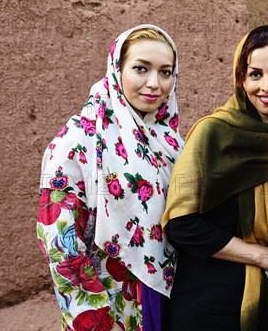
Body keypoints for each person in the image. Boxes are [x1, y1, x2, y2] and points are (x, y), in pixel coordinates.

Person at [37, 25, 184, 331]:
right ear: (116, 69)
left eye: (166, 72)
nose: (154, 83)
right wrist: (93, 316)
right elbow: (59, 241)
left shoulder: (169, 141)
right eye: (141, 69)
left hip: (169, 296)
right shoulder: (80, 140)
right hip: (112, 304)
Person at [161, 25, 268, 331]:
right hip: (210, 307)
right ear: (241, 79)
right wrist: (264, 256)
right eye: (255, 74)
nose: (266, 86)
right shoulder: (213, 134)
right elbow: (180, 224)